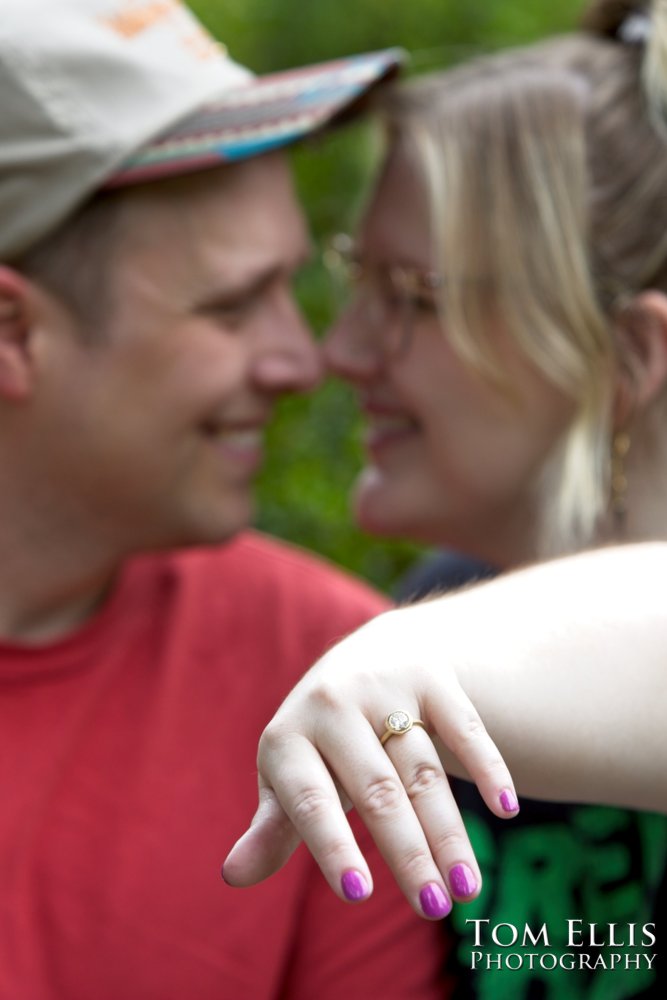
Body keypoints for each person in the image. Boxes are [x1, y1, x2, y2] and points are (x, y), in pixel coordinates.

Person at [0, 2, 450, 997]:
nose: (306, 359)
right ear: (11, 332)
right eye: (233, 305)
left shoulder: (332, 680)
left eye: (292, 287)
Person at [224, 0, 667, 995]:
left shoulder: (407, 660)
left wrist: (403, 657)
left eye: (411, 298)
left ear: (627, 354)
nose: (336, 353)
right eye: (357, 284)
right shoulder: (435, 605)